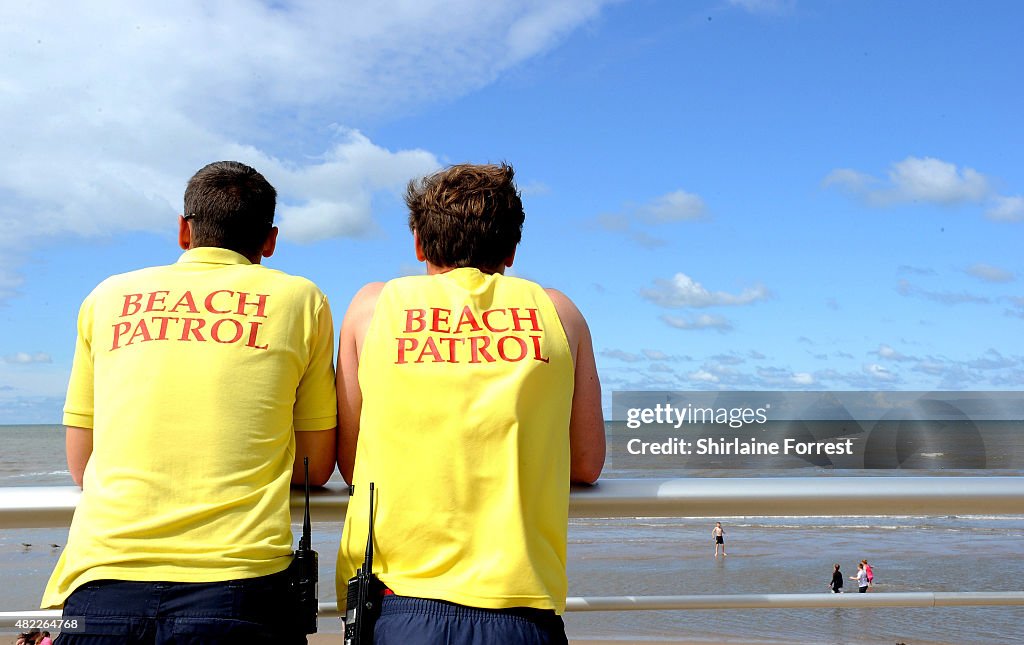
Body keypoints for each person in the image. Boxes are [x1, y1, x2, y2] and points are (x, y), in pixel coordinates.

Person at [41, 161, 338, 644]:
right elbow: (314, 466)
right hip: (242, 584)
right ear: (270, 240)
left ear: (184, 230)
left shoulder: (109, 296)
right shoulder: (301, 299)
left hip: (104, 583)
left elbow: (82, 465)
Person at [335, 162, 606, 644]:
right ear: (512, 250)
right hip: (521, 606)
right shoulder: (559, 312)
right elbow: (586, 463)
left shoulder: (373, 308)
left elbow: (354, 461)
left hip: (400, 602)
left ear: (418, 243)